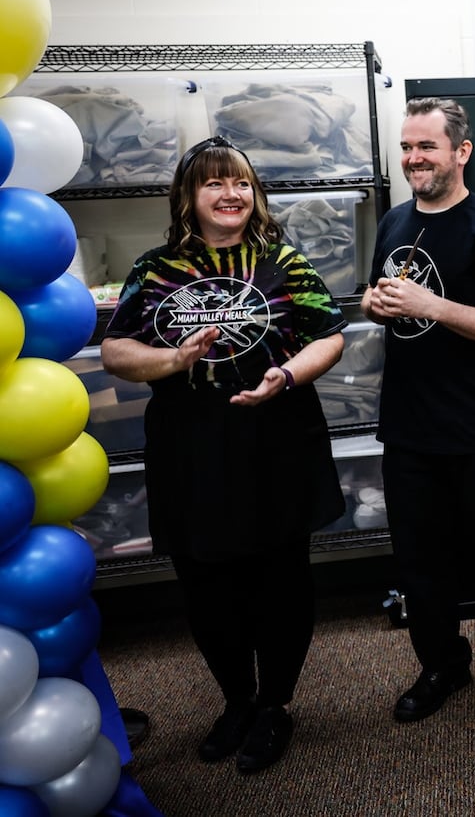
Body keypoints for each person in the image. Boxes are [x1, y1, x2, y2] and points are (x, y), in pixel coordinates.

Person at [101, 135, 347, 774]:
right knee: (206, 583)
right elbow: (116, 351)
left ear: (254, 193)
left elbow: (330, 337)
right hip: (192, 444)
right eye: (214, 183)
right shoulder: (156, 268)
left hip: (275, 434)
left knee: (280, 579)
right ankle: (236, 700)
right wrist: (174, 358)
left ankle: (274, 706)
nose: (230, 194)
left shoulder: (282, 261)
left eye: (240, 182)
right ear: (189, 196)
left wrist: (287, 376)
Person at [363, 96, 475, 723]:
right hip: (410, 423)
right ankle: (442, 663)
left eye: (426, 147)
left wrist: (432, 305)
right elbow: (378, 294)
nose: (414, 158)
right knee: (419, 559)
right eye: (407, 147)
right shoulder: (394, 222)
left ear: (460, 152)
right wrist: (375, 305)